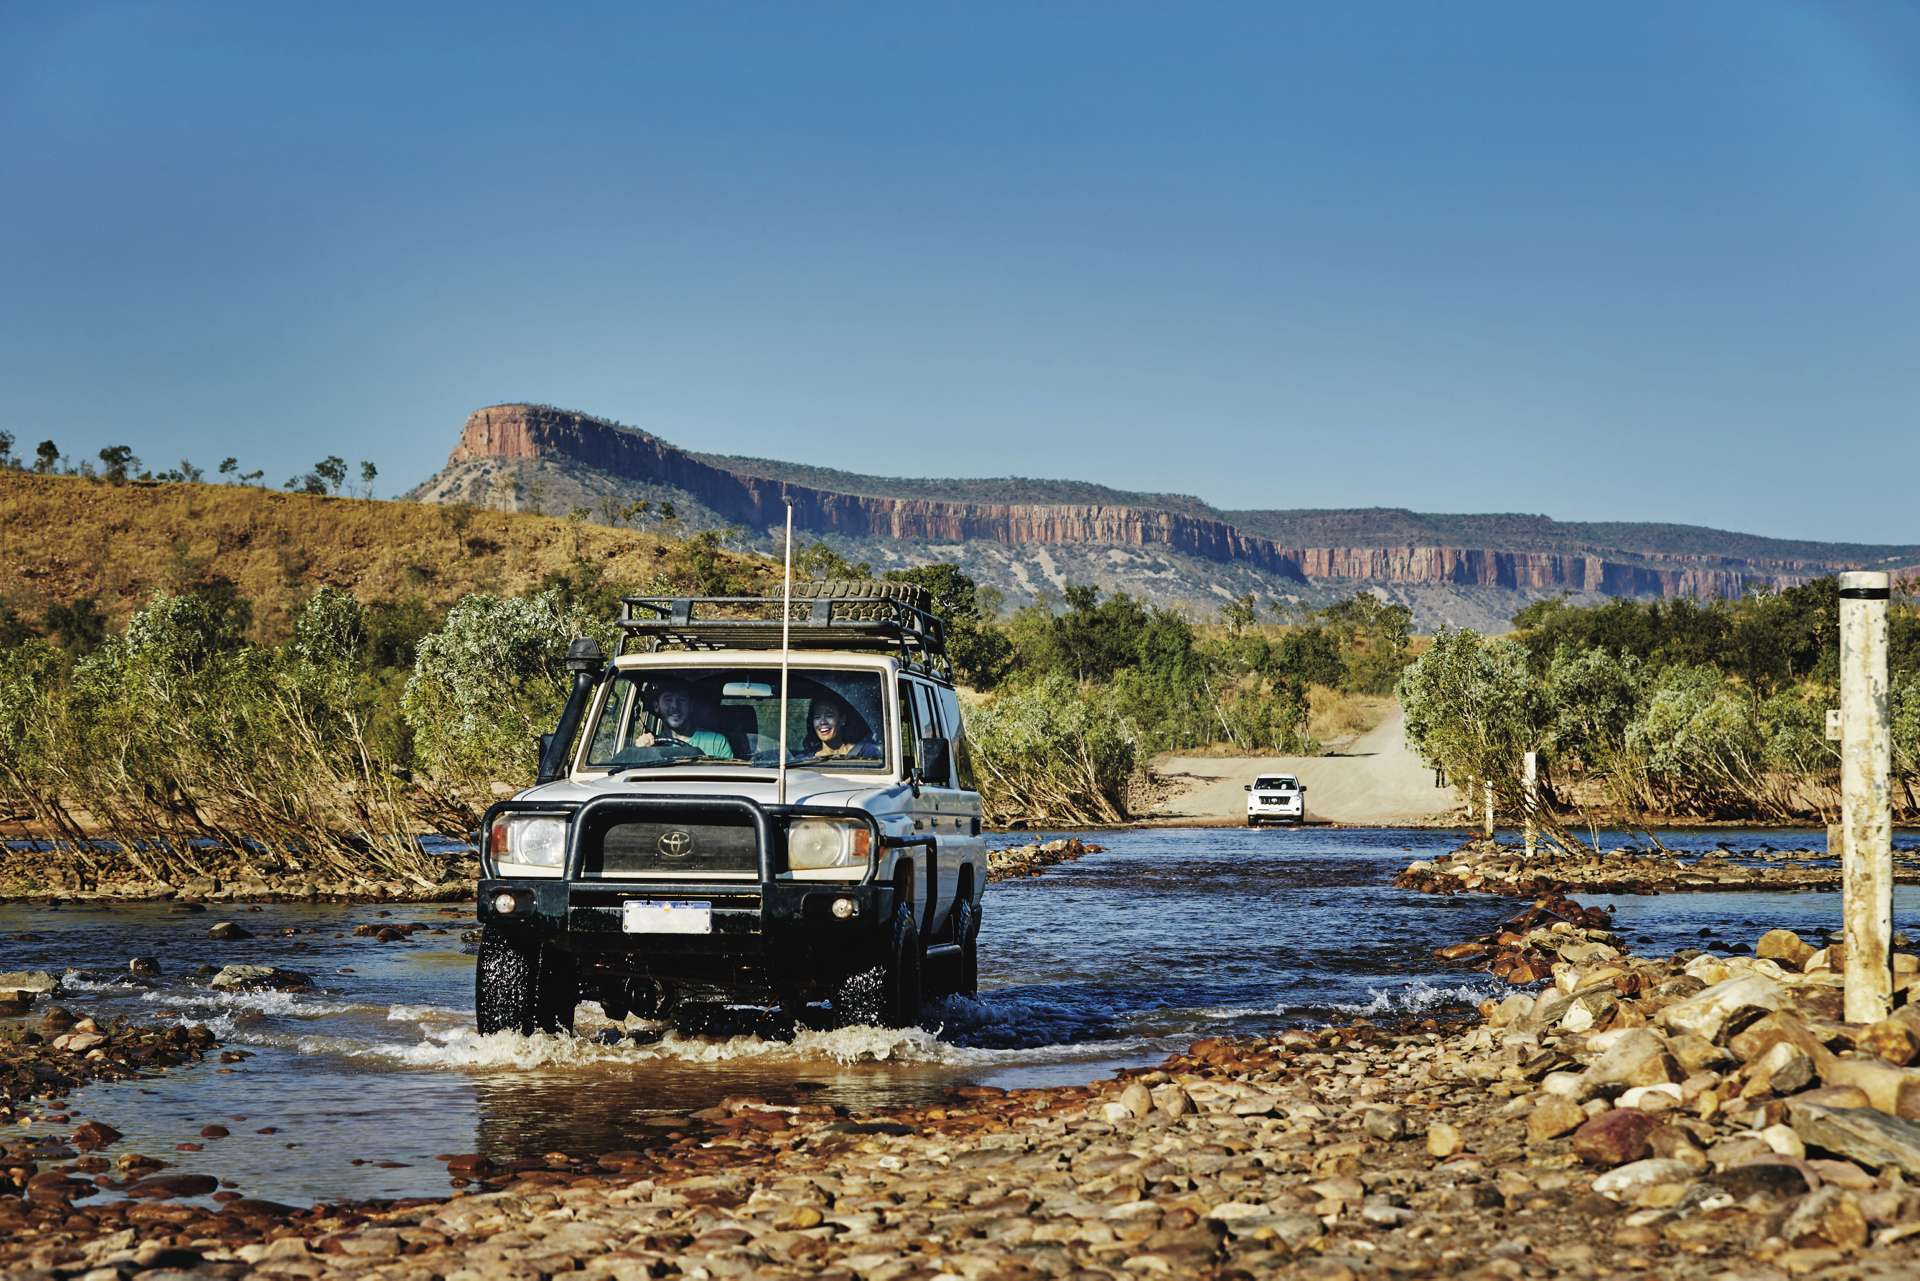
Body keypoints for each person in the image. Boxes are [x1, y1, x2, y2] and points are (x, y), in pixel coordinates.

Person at [632, 679, 735, 758]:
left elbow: (726, 783)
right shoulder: (649, 746)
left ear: (691, 706)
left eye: (682, 699)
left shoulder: (716, 743)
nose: (675, 706)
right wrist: (640, 752)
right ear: (656, 706)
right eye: (668, 699)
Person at [798, 694, 879, 761]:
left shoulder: (867, 753)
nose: (822, 722)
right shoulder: (804, 759)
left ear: (842, 720)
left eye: (829, 716)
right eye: (817, 717)